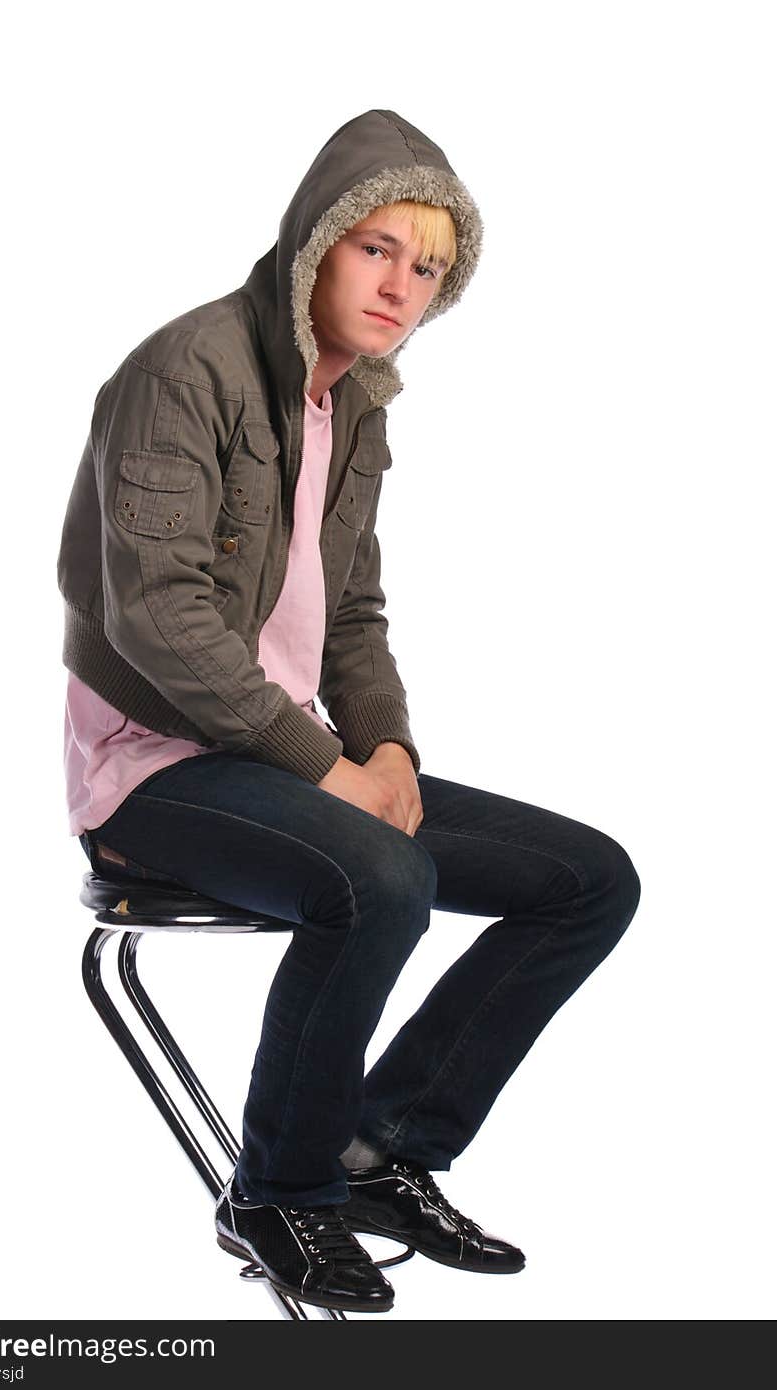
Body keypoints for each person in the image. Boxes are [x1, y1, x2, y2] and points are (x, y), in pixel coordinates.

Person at [57, 109, 641, 1315]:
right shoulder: (187, 371)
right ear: (314, 243)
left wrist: (386, 751)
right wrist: (329, 773)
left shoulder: (354, 405)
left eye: (426, 267)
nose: (401, 285)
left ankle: (377, 1147)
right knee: (382, 874)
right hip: (155, 768)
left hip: (292, 762)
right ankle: (278, 1190)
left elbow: (353, 615)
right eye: (377, 248)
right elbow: (157, 617)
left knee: (588, 878)